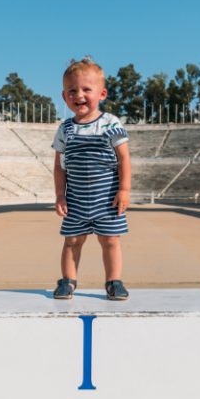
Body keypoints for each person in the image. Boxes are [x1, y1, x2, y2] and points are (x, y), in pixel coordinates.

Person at [51, 57, 132, 301]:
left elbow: (124, 159)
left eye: (87, 89)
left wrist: (124, 190)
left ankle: (113, 281)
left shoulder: (110, 123)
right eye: (72, 90)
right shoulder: (65, 129)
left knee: (110, 241)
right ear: (65, 97)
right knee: (72, 241)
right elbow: (59, 166)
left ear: (102, 93)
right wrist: (59, 195)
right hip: (76, 200)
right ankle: (68, 280)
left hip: (107, 200)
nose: (80, 95)